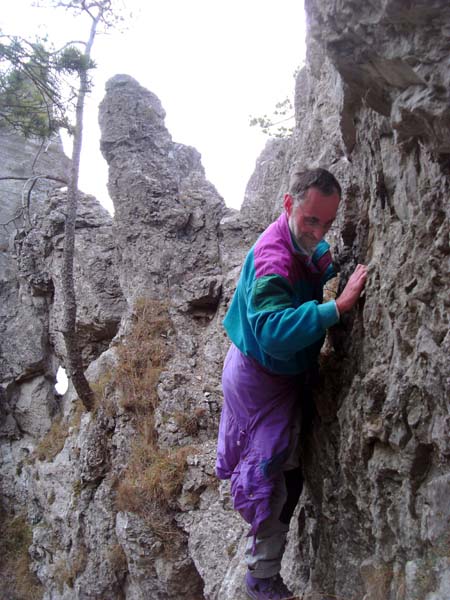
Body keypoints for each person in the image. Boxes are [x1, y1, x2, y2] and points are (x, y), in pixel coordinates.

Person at [215, 168, 367, 600]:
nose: (318, 231)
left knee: (284, 470)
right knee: (276, 479)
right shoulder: (272, 260)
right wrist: (334, 309)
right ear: (288, 204)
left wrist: (327, 261)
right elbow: (269, 330)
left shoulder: (296, 241)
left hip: (263, 372)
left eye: (327, 223)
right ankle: (261, 581)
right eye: (310, 220)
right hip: (260, 380)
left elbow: (310, 254)